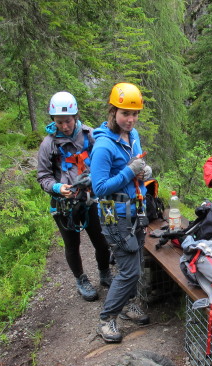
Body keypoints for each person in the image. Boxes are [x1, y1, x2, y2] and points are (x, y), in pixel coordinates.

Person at [90, 82, 152, 343]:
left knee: (134, 265)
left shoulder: (133, 135)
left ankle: (126, 305)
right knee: (129, 271)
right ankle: (107, 318)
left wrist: (143, 172)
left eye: (134, 113)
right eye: (125, 113)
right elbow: (100, 187)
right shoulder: (104, 147)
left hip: (135, 210)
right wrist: (129, 171)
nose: (130, 119)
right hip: (116, 215)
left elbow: (135, 169)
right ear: (113, 112)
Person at [37, 91, 112, 302]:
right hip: (63, 204)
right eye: (59, 122)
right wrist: (58, 187)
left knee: (101, 239)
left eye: (68, 121)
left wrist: (94, 178)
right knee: (72, 244)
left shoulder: (89, 136)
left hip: (89, 198)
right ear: (53, 120)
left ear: (75, 116)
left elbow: (102, 162)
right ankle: (81, 279)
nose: (65, 126)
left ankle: (105, 272)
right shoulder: (48, 144)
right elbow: (43, 177)